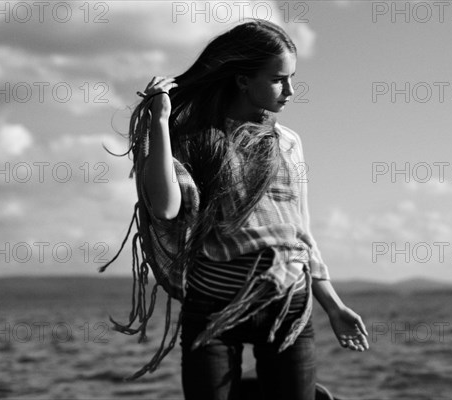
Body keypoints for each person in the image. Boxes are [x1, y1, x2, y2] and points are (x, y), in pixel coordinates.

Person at [132, 18, 369, 400]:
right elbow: (165, 206)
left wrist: (334, 306)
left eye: (292, 78)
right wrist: (160, 122)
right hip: (213, 310)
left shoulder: (289, 142)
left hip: (287, 304)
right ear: (242, 79)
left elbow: (302, 233)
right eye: (278, 79)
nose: (290, 90)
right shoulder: (197, 138)